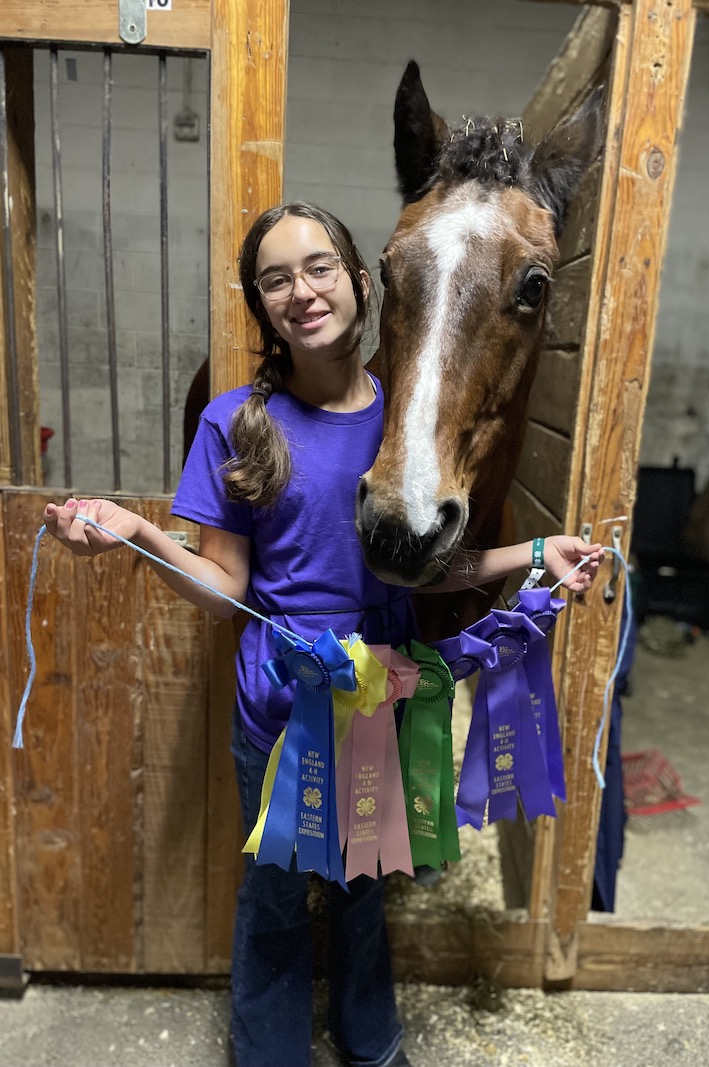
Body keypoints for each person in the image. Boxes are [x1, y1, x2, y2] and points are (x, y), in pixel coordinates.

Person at [43, 202, 603, 1067]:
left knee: (365, 881)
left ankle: (371, 1042)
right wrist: (141, 533)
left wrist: (531, 552)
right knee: (273, 891)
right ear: (260, 305)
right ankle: (268, 1053)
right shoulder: (235, 423)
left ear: (362, 283)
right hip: (280, 705)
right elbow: (226, 592)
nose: (300, 290)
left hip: (379, 691)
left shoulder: (401, 426)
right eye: (275, 278)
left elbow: (421, 569)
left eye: (318, 268)